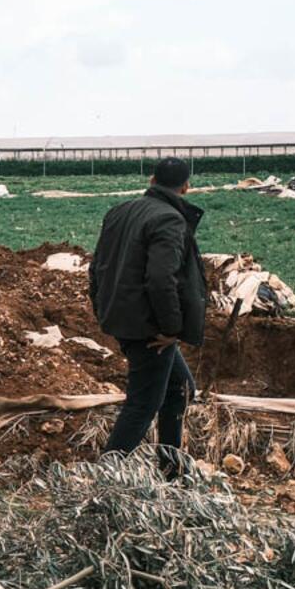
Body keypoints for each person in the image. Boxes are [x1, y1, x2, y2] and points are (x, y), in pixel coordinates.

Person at [89, 156, 206, 472]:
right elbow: (160, 279)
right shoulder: (169, 220)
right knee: (143, 404)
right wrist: (172, 327)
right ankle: (106, 478)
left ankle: (171, 470)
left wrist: (102, 310)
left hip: (125, 317)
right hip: (150, 328)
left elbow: (96, 266)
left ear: (152, 180)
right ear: (186, 187)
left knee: (179, 389)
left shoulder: (119, 212)